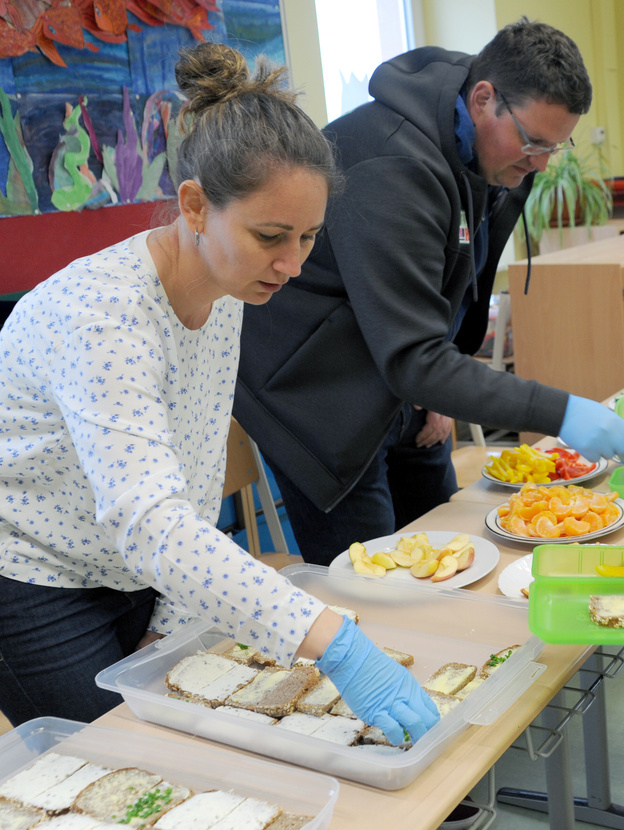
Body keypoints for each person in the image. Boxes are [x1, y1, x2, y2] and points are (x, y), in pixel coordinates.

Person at [0, 43, 438, 746]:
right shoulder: (101, 315)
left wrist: (169, 623)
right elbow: (149, 519)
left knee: (187, 746)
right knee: (119, 762)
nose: (292, 265)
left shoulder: (227, 289)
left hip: (129, 562)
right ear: (195, 206)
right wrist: (333, 640)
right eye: (271, 236)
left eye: (307, 237)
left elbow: (195, 471)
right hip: (31, 570)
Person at [234, 17, 624, 566]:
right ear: (483, 98)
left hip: (398, 367)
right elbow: (412, 356)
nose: (541, 164)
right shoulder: (391, 167)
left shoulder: (480, 145)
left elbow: (443, 289)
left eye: (555, 147)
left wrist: (440, 385)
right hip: (315, 391)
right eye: (533, 142)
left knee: (452, 550)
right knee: (372, 582)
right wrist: (562, 412)